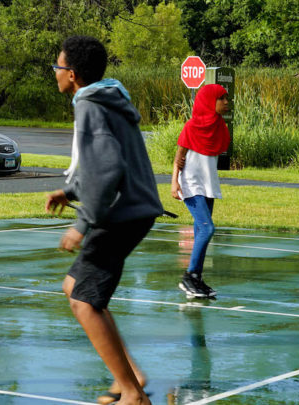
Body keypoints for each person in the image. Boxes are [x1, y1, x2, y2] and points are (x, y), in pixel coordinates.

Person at [44, 36, 163, 405]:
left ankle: (132, 394)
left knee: (83, 301)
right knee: (74, 286)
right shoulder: (107, 99)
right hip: (134, 209)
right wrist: (71, 191)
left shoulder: (90, 106)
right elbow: (105, 161)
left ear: (73, 74)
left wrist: (82, 224)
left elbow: (108, 169)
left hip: (120, 215)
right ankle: (131, 375)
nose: (56, 74)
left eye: (57, 67)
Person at [171, 83, 230, 299]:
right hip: (191, 183)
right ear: (209, 101)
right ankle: (189, 276)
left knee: (199, 232)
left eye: (226, 98)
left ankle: (196, 280)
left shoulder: (220, 126)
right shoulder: (191, 126)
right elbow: (179, 157)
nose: (226, 102)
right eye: (221, 98)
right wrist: (174, 183)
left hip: (208, 184)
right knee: (207, 229)